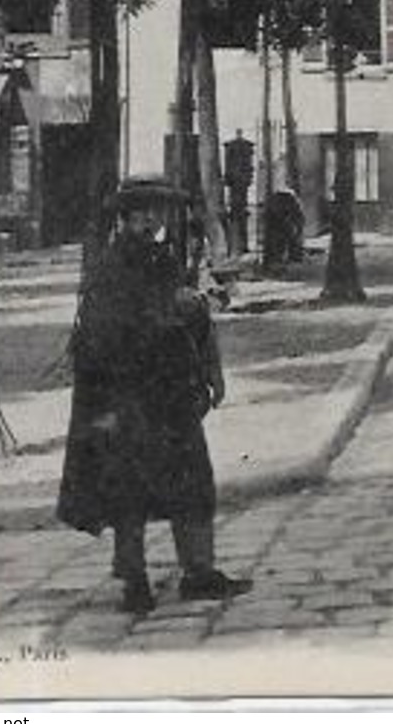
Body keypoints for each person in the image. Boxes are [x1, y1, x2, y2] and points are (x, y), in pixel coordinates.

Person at [57, 174, 252, 615]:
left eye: (158, 211)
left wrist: (201, 364)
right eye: (143, 212)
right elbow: (98, 345)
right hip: (129, 395)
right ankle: (134, 581)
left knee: (193, 482)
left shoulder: (161, 259)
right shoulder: (110, 269)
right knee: (130, 492)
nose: (152, 219)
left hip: (171, 394)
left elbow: (181, 320)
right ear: (124, 217)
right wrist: (104, 409)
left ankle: (199, 572)